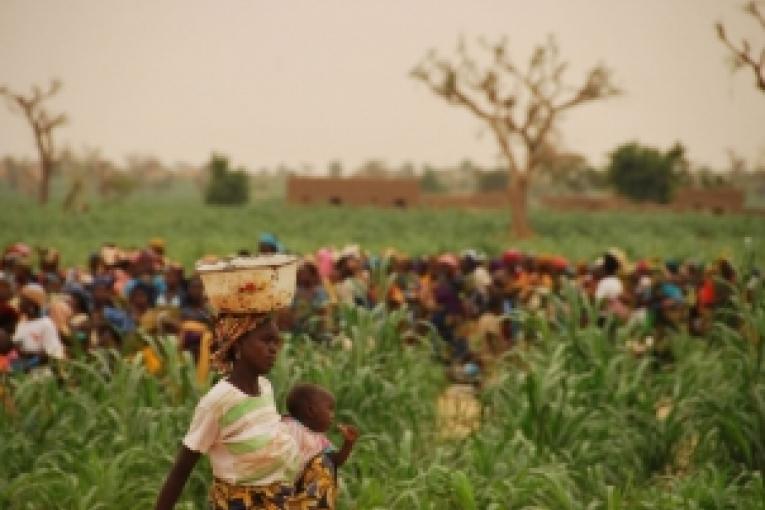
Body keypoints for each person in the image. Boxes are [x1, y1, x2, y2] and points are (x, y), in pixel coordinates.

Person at [155, 314, 338, 510]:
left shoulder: (265, 387)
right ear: (237, 345)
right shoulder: (218, 401)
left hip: (277, 498)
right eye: (266, 340)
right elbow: (181, 470)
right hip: (240, 503)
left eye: (276, 342)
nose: (273, 349)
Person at [282, 383, 359, 473]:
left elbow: (335, 461)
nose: (333, 415)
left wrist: (348, 443)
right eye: (329, 409)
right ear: (311, 411)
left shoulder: (320, 440)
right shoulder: (289, 428)